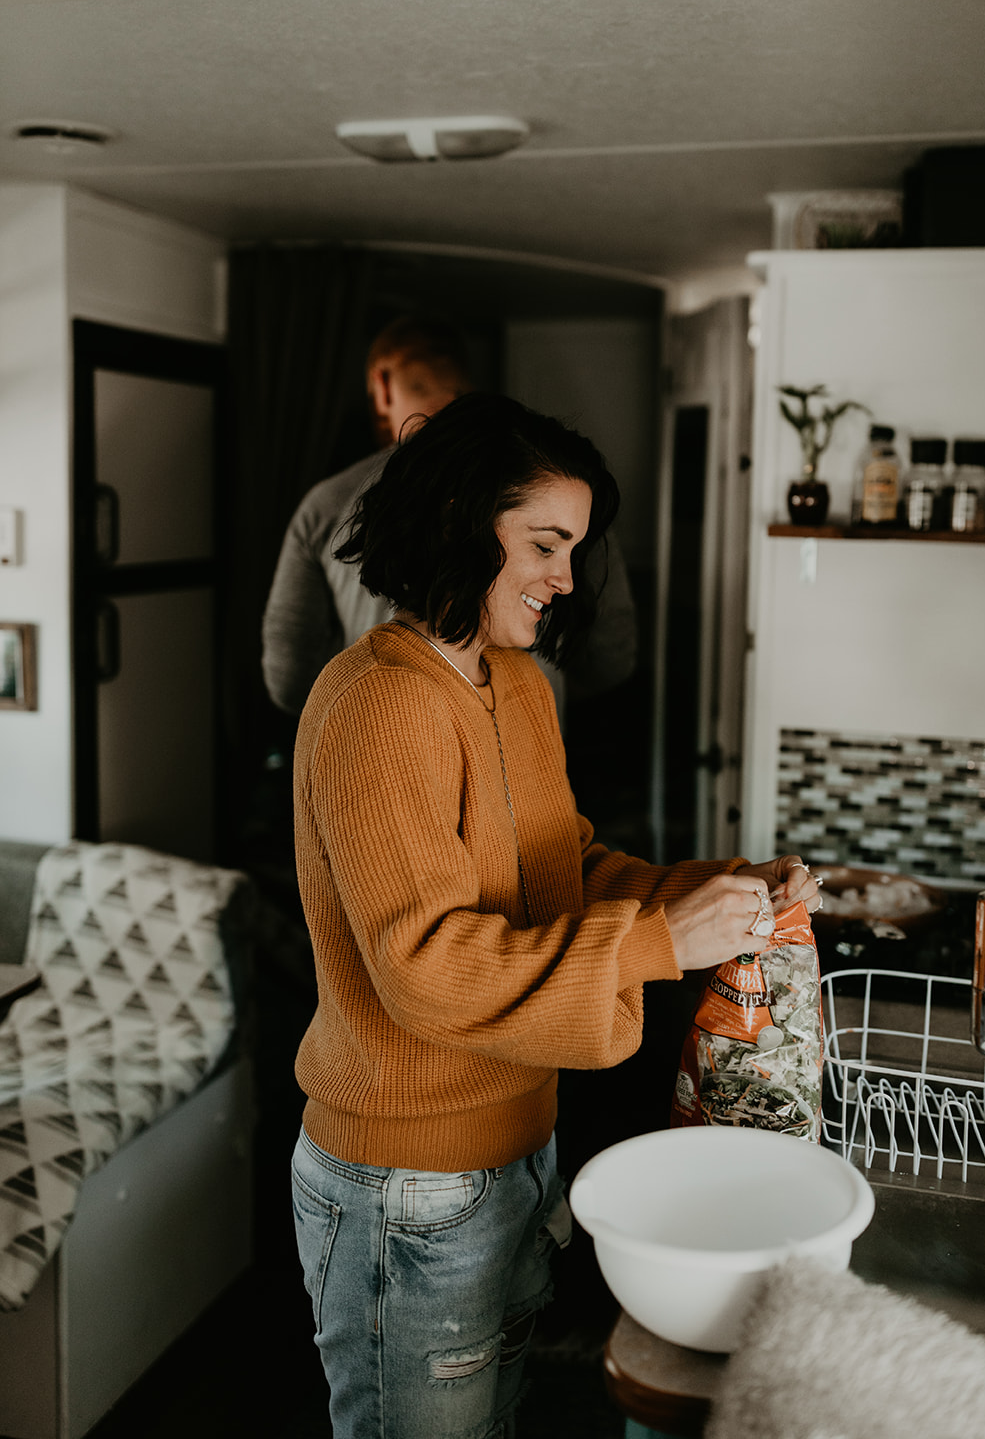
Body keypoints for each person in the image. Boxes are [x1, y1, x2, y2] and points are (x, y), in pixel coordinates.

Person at [289, 392, 821, 1439]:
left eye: (573, 548)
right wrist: (664, 945)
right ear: (456, 519)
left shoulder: (515, 685)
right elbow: (425, 965)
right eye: (544, 542)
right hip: (407, 1182)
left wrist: (722, 892)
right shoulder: (375, 703)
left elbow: (562, 870)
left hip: (515, 1150)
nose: (565, 578)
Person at [261, 314, 637, 719]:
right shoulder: (560, 490)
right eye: (545, 547)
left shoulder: (327, 502)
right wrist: (548, 694)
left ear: (382, 385)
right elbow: (611, 653)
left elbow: (290, 679)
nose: (563, 580)